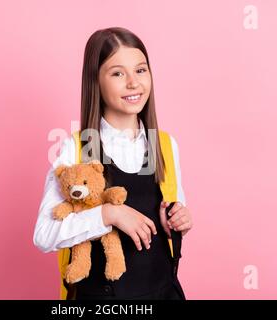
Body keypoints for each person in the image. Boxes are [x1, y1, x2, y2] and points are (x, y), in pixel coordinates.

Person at [33, 27, 193, 300]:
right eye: (118, 73)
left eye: (140, 70)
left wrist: (178, 222)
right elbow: (44, 234)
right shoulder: (77, 148)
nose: (133, 83)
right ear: (96, 81)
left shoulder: (165, 145)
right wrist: (108, 214)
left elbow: (172, 213)